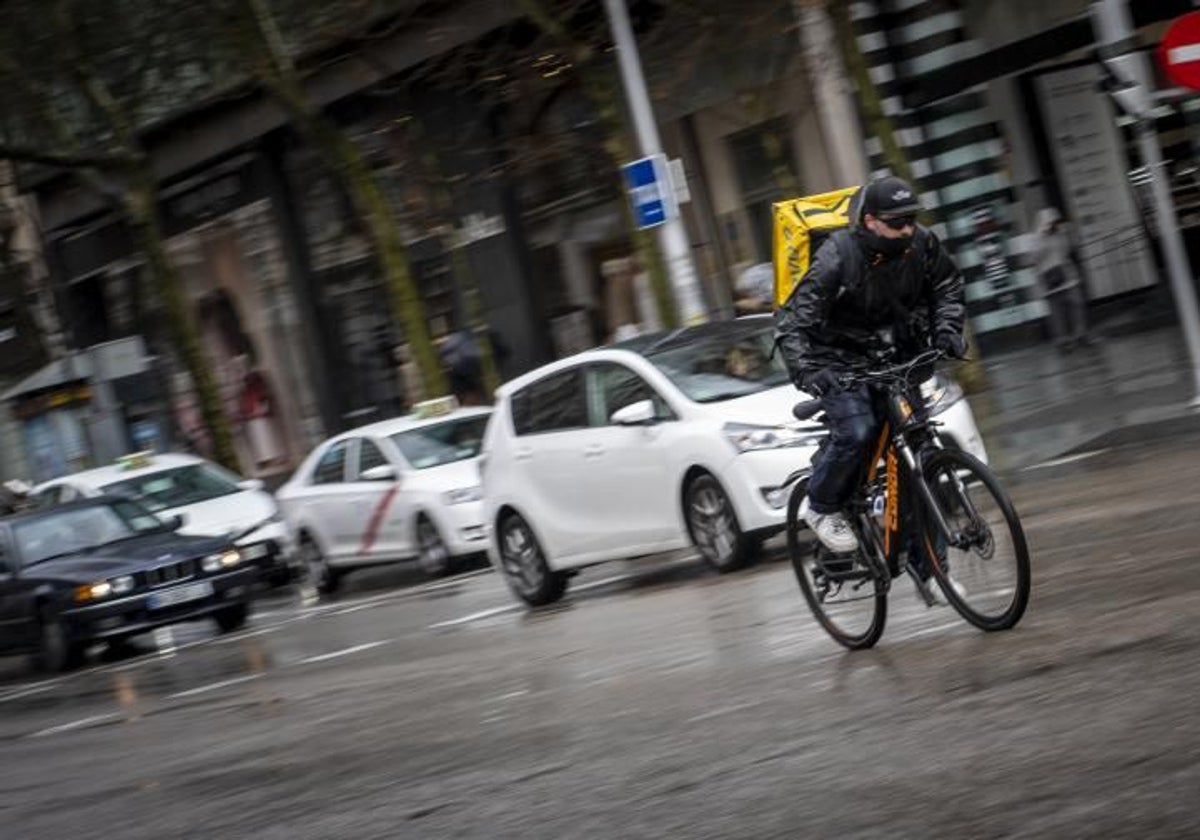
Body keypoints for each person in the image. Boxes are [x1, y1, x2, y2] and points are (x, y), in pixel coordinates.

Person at [774, 176, 967, 554]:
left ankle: (930, 569)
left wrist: (946, 330)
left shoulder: (923, 244)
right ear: (869, 221)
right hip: (839, 360)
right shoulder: (838, 255)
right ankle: (822, 505)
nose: (907, 228)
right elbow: (795, 320)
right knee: (859, 432)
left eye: (911, 219)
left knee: (919, 458)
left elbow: (947, 286)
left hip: (896, 357)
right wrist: (810, 371)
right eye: (897, 222)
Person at [1033, 207, 1093, 351]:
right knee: (1057, 312)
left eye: (1054, 222)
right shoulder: (1036, 238)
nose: (1052, 225)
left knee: (1078, 304)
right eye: (1049, 222)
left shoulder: (1061, 234)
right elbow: (1034, 257)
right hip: (1050, 279)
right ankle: (1062, 340)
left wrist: (1068, 233)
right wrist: (1043, 237)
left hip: (1067, 276)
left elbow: (1070, 248)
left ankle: (1081, 334)